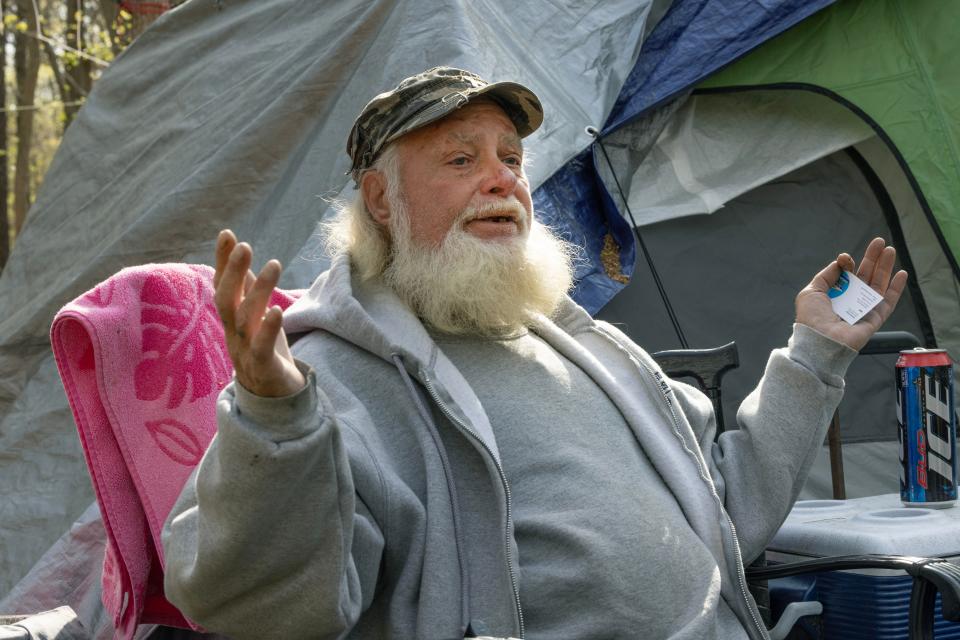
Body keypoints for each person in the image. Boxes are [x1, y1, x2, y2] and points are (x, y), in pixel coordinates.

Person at [161, 67, 908, 640]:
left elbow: (723, 511)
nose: (502, 179)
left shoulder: (586, 348)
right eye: (460, 160)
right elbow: (266, 605)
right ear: (381, 201)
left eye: (511, 158)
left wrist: (816, 353)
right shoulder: (337, 375)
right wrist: (274, 420)